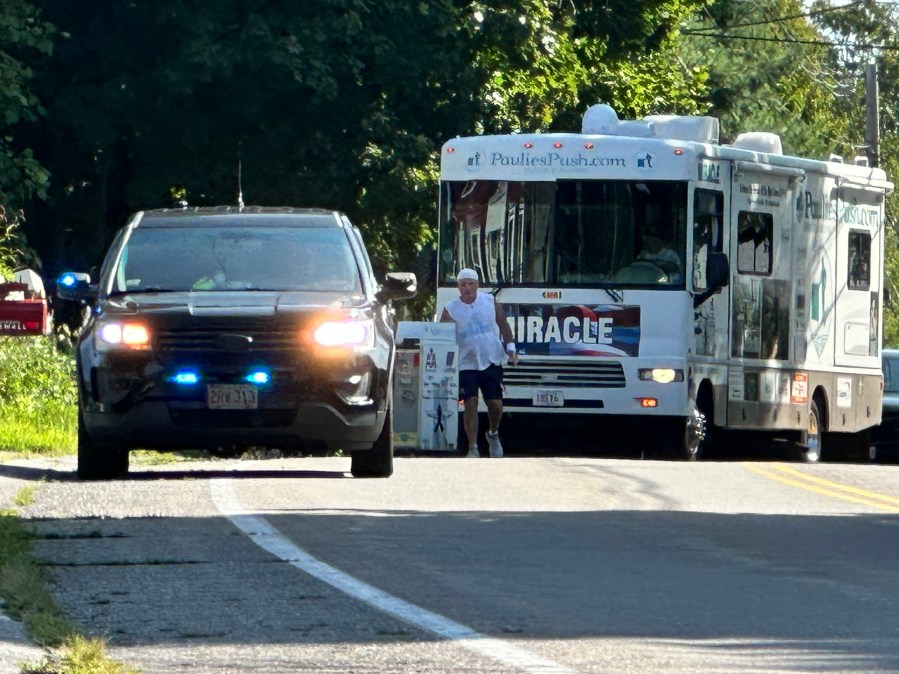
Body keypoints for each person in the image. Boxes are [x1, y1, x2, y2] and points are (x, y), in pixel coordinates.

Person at [440, 268, 517, 458]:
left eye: (470, 284)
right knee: (470, 402)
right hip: (466, 363)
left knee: (495, 405)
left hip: (491, 359)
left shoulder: (489, 301)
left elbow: (503, 324)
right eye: (462, 284)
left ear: (477, 285)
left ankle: (493, 433)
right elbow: (443, 335)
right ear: (458, 286)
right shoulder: (450, 309)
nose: (466, 288)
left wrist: (511, 348)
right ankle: (473, 447)